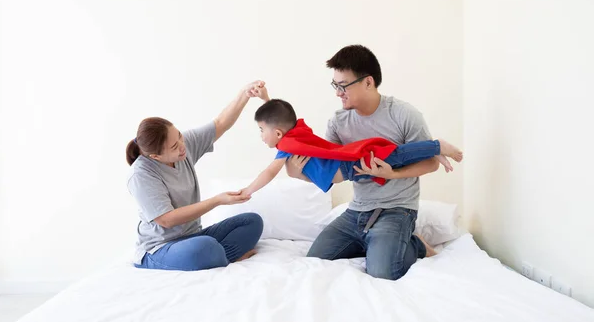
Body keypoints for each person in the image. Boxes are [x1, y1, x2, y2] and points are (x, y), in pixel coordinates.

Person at [286, 45, 446, 280]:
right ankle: (378, 244)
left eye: (343, 86)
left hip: (396, 210)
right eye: (335, 85)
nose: (338, 93)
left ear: (368, 82)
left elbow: (432, 163)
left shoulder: (404, 114)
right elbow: (331, 170)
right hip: (356, 212)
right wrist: (297, 172)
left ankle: (415, 245)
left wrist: (394, 174)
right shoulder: (339, 122)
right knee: (314, 262)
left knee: (383, 272)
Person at [126, 81, 269, 271]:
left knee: (252, 222)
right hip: (161, 248)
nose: (182, 145)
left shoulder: (182, 145)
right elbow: (167, 219)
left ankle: (218, 256)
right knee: (205, 247)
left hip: (193, 236)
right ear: (155, 156)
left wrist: (245, 93)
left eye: (179, 136)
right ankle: (222, 256)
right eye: (174, 147)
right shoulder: (141, 175)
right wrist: (217, 200)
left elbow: (220, 124)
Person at [240, 99, 462, 196]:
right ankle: (436, 150)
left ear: (278, 133)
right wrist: (265, 99)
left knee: (397, 155)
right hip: (352, 171)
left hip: (352, 165)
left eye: (261, 130)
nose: (261, 135)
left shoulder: (287, 144)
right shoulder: (295, 134)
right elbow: (278, 116)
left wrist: (249, 189)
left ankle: (437, 145)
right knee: (398, 157)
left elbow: (270, 171)